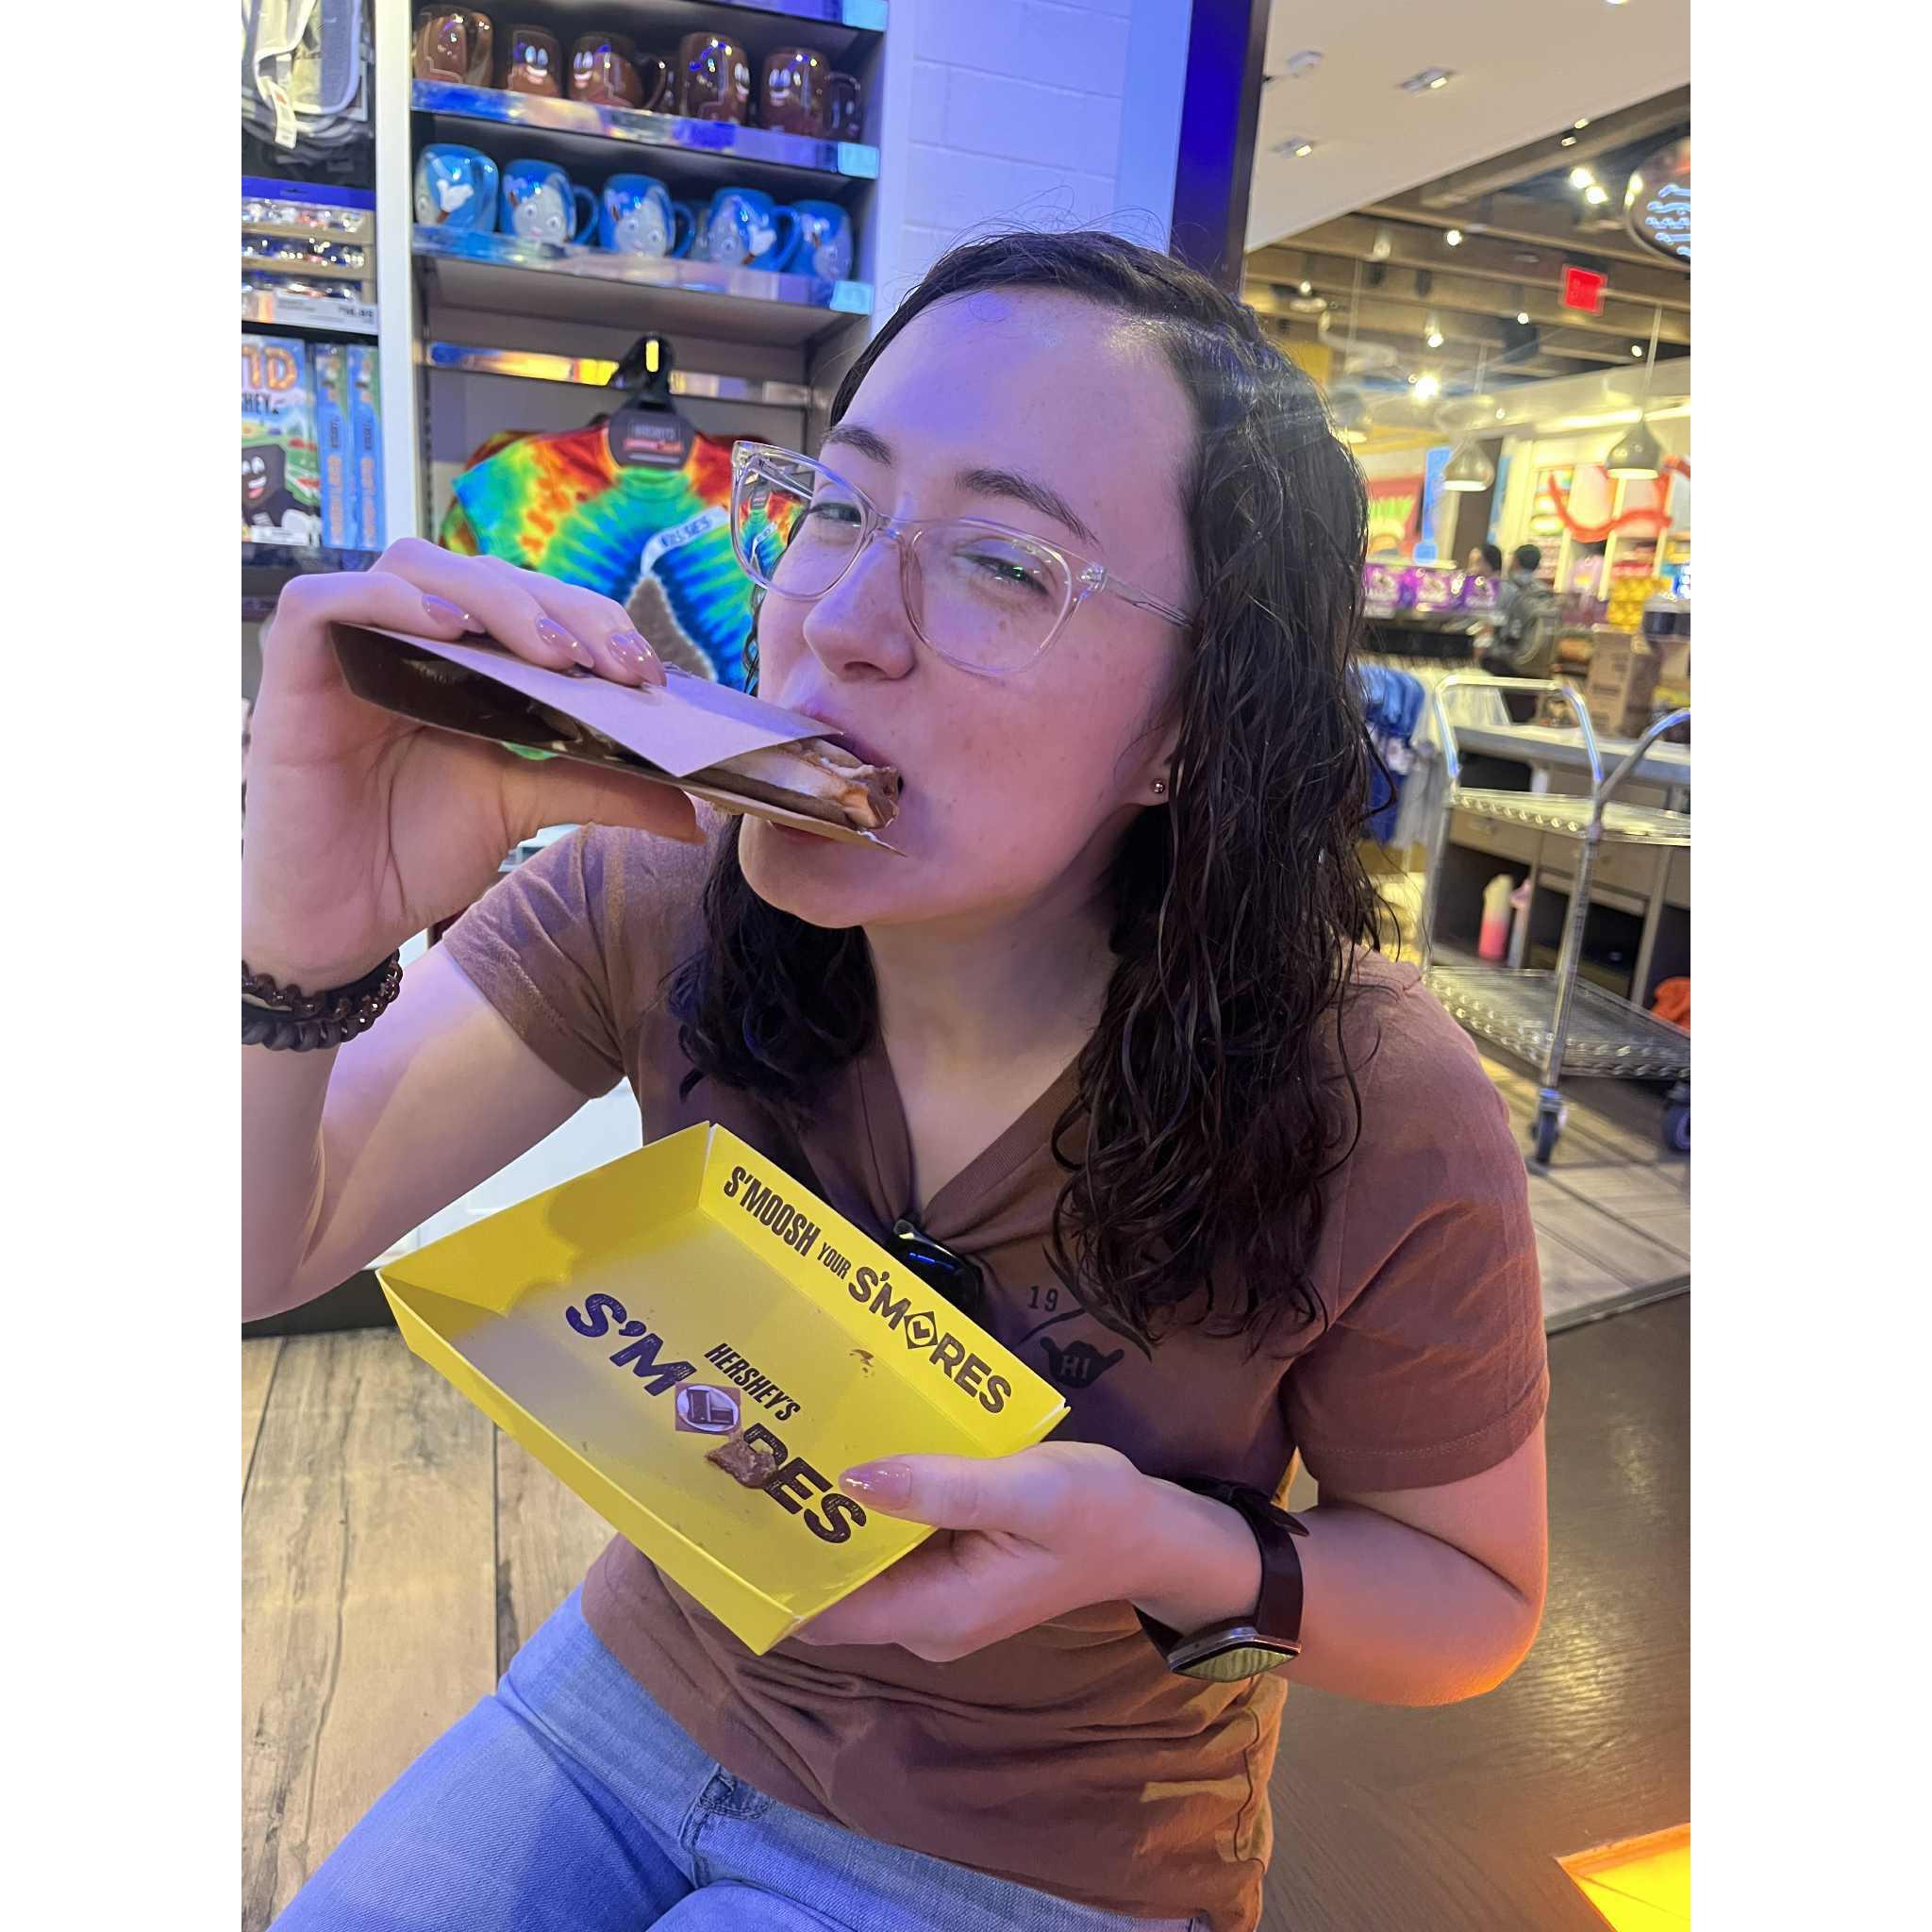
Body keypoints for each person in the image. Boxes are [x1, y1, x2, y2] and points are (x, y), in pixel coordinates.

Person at [243, 231, 1548, 1932]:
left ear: (1190, 727)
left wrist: (1169, 1549)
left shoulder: (1370, 1092)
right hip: (631, 1691)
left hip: (1039, 1843)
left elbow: (1473, 1603)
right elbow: (261, 1252)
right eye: (840, 507)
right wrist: (296, 941)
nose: (839, 624)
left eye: (1005, 564)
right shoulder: (655, 890)